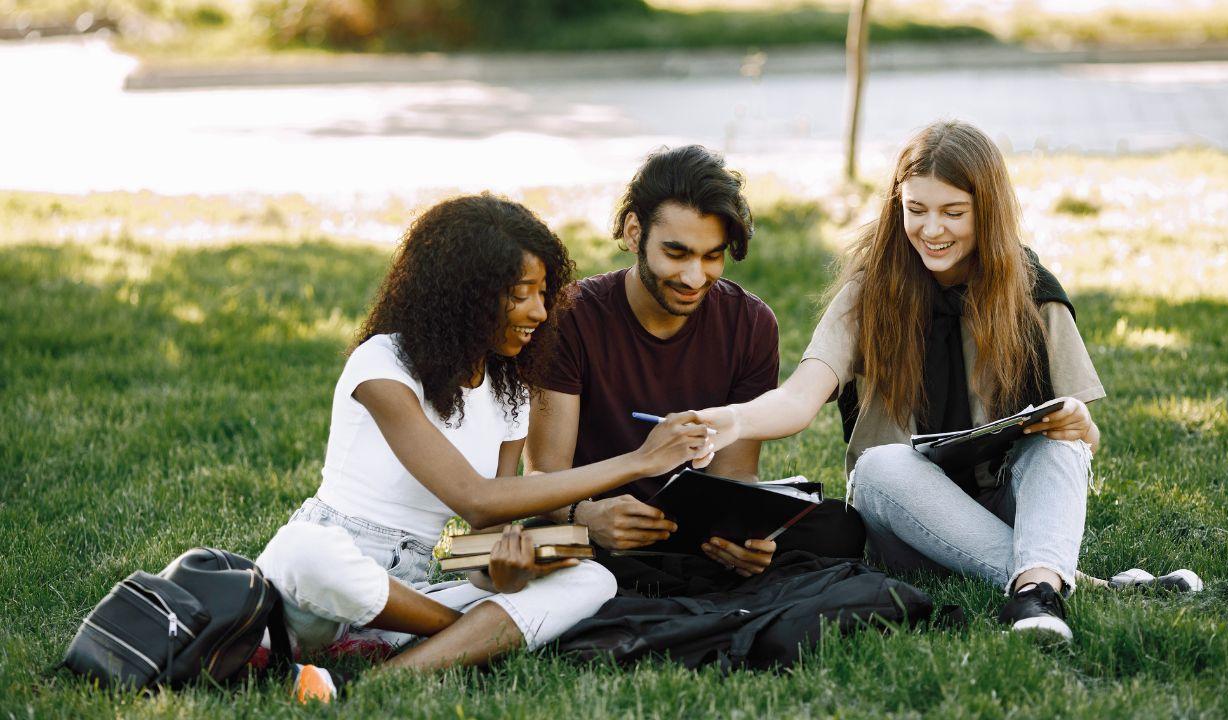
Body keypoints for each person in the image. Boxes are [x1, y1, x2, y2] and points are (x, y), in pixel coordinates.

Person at [254, 194, 713, 702]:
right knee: (307, 552)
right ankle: (458, 639)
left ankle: (374, 678)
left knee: (591, 580)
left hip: (409, 594)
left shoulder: (507, 393)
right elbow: (474, 497)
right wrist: (639, 461)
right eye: (522, 294)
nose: (540, 311)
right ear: (467, 294)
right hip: (314, 591)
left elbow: (483, 541)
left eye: (544, 292)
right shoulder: (381, 365)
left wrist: (504, 571)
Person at [693, 121, 1105, 642]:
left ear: (989, 212)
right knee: (880, 463)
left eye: (953, 213)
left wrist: (1080, 424)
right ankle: (1054, 579)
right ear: (897, 206)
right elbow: (799, 399)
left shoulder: (1032, 293)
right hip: (900, 515)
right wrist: (727, 421)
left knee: (1058, 444)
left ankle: (1035, 592)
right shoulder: (871, 292)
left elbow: (1085, 448)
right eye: (916, 210)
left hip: (998, 501)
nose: (932, 230)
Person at [525, 145, 864, 596]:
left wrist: (745, 537)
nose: (694, 277)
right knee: (534, 545)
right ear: (633, 231)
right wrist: (585, 516)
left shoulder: (750, 323)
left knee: (839, 530)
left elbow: (735, 475)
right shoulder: (571, 316)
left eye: (711, 256)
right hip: (597, 526)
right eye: (676, 253)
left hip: (689, 533)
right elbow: (543, 479)